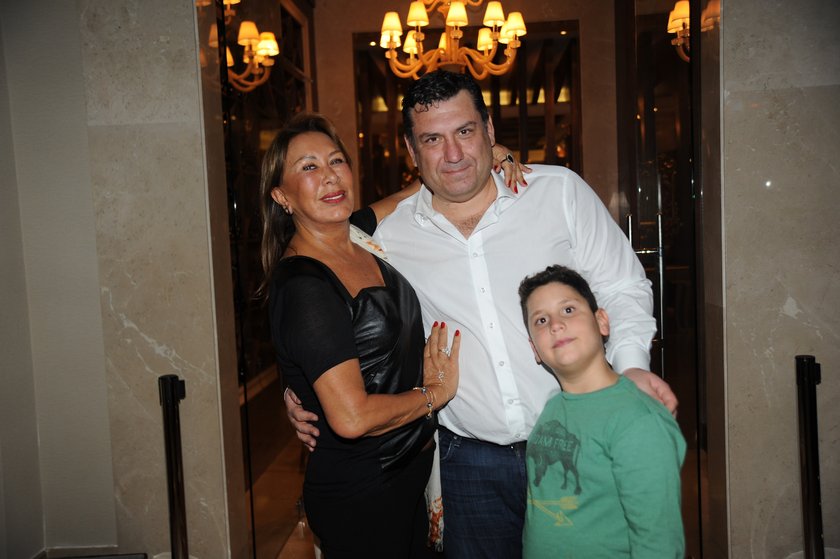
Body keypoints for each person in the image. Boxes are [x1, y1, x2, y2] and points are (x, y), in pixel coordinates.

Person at [286, 70, 678, 558]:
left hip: (578, 442)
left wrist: (633, 366)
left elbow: (621, 286)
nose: (453, 154)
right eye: (433, 139)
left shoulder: (557, 192)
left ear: (490, 131)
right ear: (411, 151)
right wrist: (300, 386)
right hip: (468, 466)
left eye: (465, 131)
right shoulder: (386, 239)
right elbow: (322, 289)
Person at [258, 112, 462, 558]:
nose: (330, 176)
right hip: (363, 493)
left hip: (405, 476)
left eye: (337, 161)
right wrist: (435, 394)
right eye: (309, 167)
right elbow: (351, 418)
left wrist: (489, 152)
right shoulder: (305, 285)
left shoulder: (356, 235)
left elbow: (413, 192)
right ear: (281, 195)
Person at [518, 265, 686, 558]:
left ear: (602, 322)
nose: (555, 325)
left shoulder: (638, 420)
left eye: (568, 310)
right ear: (535, 350)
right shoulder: (553, 408)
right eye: (541, 320)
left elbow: (658, 542)